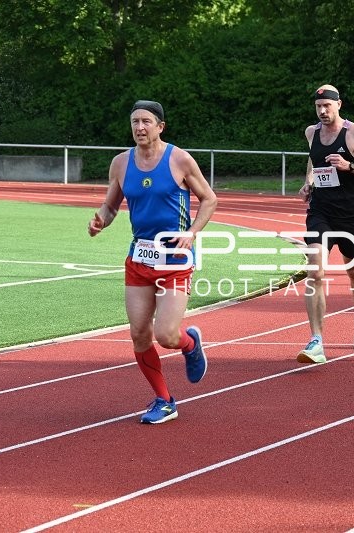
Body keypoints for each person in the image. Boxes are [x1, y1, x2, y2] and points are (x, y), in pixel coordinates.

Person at [88, 100, 218, 423]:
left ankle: (189, 344)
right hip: (140, 258)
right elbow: (111, 206)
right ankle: (164, 399)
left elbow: (210, 199)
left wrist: (192, 232)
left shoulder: (180, 160)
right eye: (135, 122)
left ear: (161, 126)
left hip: (174, 258)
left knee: (166, 335)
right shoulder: (120, 163)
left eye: (146, 121)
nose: (140, 127)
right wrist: (101, 220)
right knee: (139, 334)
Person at [296, 84, 354, 364]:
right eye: (318, 107)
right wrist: (308, 183)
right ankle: (316, 340)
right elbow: (313, 161)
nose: (322, 112)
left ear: (339, 105)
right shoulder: (311, 133)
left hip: (351, 215)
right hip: (320, 212)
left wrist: (349, 166)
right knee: (315, 272)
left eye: (327, 107)